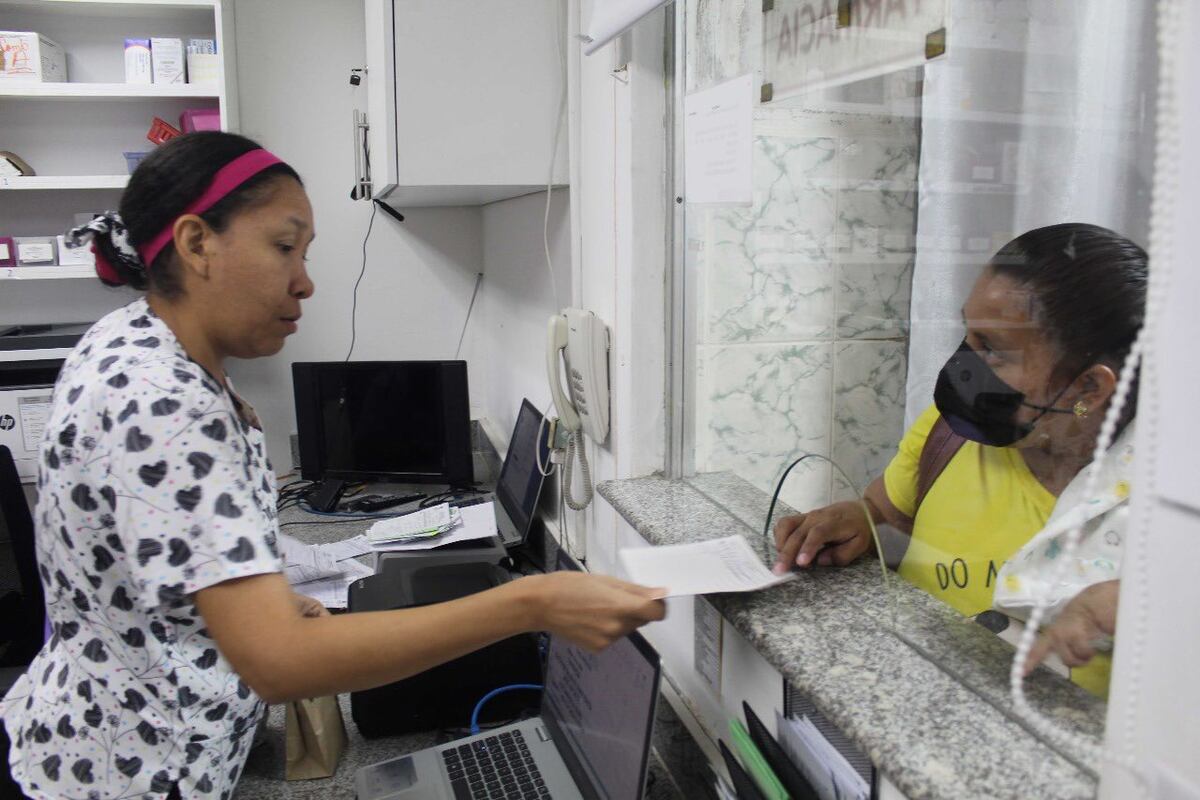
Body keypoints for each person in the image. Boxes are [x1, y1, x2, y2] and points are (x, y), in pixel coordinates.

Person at [0, 132, 667, 800]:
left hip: (81, 733)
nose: (305, 280)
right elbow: (280, 666)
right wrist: (533, 602)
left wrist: (253, 604)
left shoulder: (129, 341)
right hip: (131, 773)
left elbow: (148, 554)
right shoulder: (166, 402)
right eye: (284, 247)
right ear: (196, 242)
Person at [772, 223, 1146, 695]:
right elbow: (884, 518)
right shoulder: (949, 434)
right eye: (968, 335)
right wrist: (856, 520)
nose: (964, 367)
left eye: (992, 349)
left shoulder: (1159, 512)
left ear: (1089, 389)